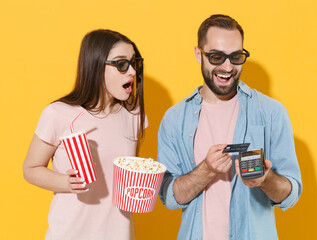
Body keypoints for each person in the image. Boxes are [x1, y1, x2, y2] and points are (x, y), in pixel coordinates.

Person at [157, 14, 302, 240]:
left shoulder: (271, 112)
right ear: (199, 54)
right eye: (216, 57)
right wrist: (206, 169)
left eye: (236, 57)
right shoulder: (175, 119)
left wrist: (266, 178)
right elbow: (169, 197)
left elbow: (291, 194)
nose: (227, 67)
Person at [23, 29, 146, 240]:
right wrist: (65, 182)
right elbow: (30, 169)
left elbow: (128, 174)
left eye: (134, 63)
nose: (132, 72)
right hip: (70, 233)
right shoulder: (59, 113)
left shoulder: (134, 115)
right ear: (96, 65)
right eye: (121, 64)